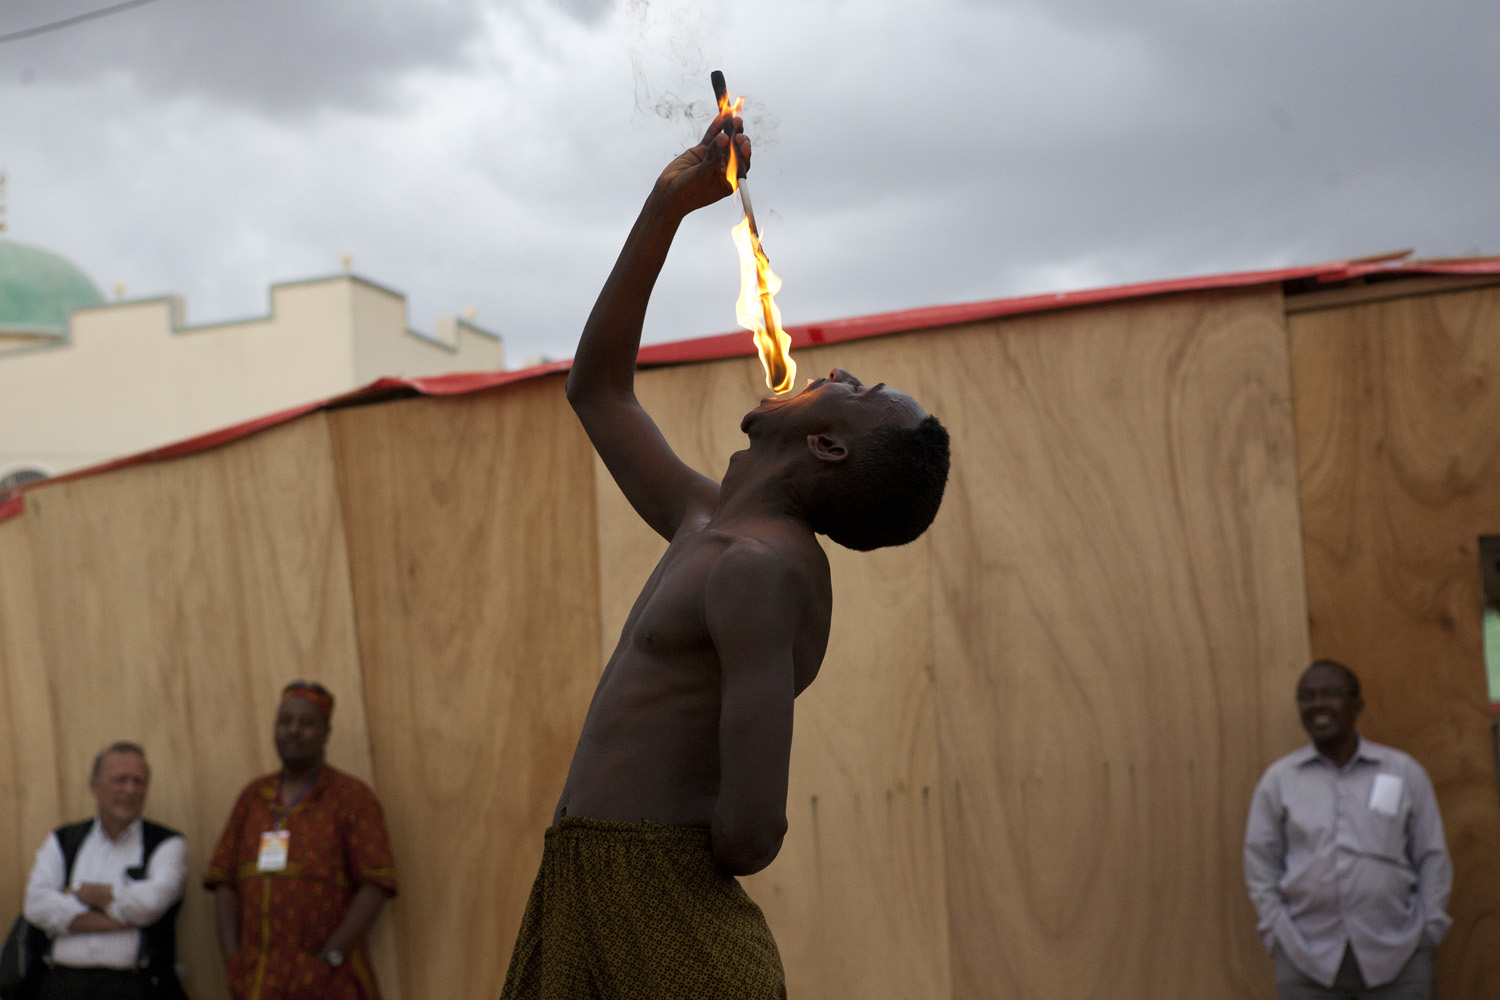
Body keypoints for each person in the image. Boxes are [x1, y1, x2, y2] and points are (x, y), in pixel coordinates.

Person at [498, 109, 951, 999]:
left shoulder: (759, 570)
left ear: (827, 449)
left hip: (660, 909)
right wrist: (669, 206)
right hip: (582, 883)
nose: (839, 373)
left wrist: (650, 875)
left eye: (859, 394)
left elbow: (751, 830)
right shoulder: (707, 520)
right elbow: (596, 390)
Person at [1244, 659, 1453, 1000]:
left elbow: (1431, 855)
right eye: (1307, 696)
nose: (1318, 705)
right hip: (1306, 958)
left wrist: (1429, 931)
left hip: (1398, 955)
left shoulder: (1402, 771)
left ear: (1357, 705)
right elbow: (1260, 863)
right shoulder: (1279, 781)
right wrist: (1276, 933)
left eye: (1330, 694)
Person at [204, 682, 396, 1000]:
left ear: (326, 732)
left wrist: (330, 958)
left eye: (307, 723)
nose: (293, 730)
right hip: (256, 982)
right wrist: (233, 960)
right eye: (285, 721)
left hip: (327, 982)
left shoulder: (351, 797)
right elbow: (222, 879)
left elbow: (377, 883)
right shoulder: (253, 796)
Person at [22, 742, 188, 1000]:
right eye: (120, 780)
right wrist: (124, 918)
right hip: (61, 986)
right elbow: (35, 906)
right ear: (94, 786)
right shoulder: (63, 840)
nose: (130, 789)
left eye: (138, 781)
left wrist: (79, 895)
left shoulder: (167, 844)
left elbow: (151, 903)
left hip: (134, 987)